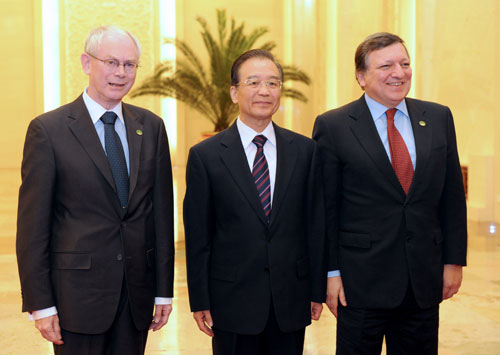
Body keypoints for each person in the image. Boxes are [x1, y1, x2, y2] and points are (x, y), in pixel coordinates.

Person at [16, 25, 174, 354]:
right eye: (111, 62)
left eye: (130, 65)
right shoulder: (49, 130)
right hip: (76, 298)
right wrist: (41, 304)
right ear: (87, 63)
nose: (121, 72)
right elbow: (33, 228)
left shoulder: (152, 127)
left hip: (136, 297)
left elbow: (160, 215)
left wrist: (163, 291)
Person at [313, 32, 467, 355]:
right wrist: (330, 273)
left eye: (405, 63)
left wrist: (454, 261)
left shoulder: (438, 118)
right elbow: (325, 209)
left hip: (422, 281)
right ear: (361, 76)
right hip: (358, 284)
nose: (399, 73)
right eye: (386, 66)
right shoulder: (334, 126)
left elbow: (452, 196)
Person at [183, 49, 326, 355]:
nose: (264, 91)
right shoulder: (206, 156)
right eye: (254, 82)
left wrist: (316, 289)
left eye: (273, 83)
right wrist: (200, 299)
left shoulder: (305, 151)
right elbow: (198, 236)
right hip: (231, 301)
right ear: (234, 92)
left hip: (290, 299)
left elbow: (315, 225)